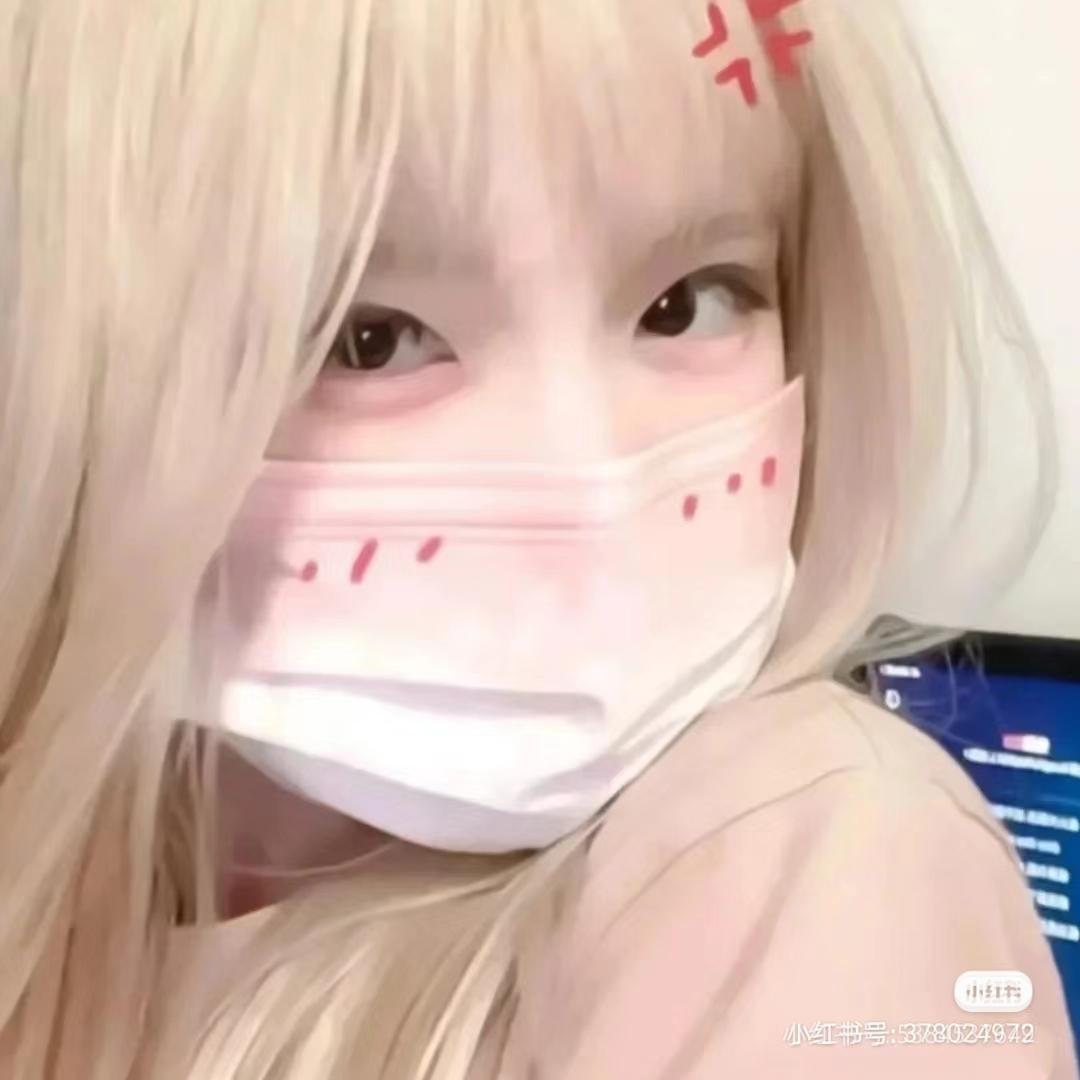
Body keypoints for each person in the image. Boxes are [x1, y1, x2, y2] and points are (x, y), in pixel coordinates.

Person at [0, 0, 1074, 1076]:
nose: (588, 473)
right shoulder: (62, 881)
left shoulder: (816, 858)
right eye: (370, 339)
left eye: (687, 303)